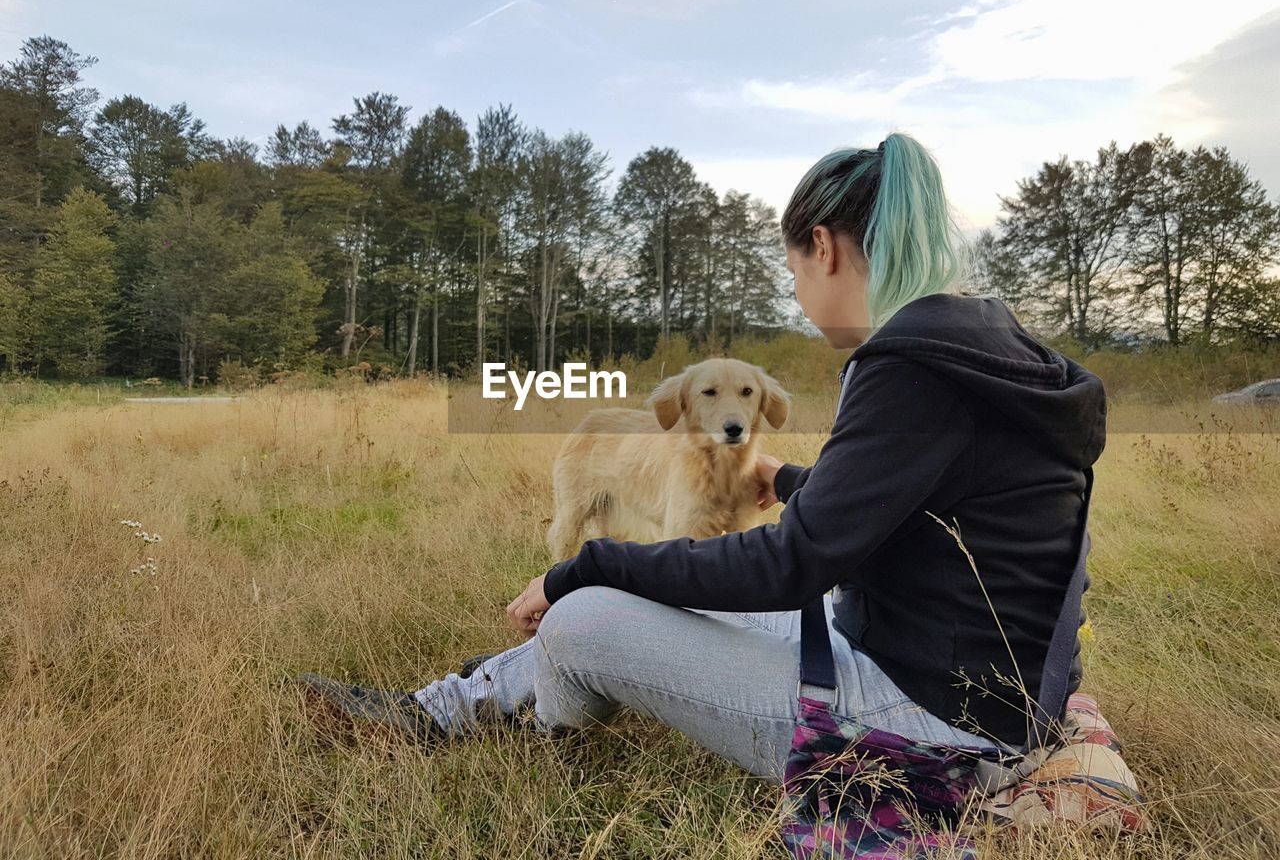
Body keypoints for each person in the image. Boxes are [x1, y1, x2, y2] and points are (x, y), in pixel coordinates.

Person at [296, 132, 1106, 782]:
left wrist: (582, 568)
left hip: (935, 728)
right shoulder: (986, 346)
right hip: (981, 691)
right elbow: (925, 502)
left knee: (584, 614)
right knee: (673, 594)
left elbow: (788, 567)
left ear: (822, 246)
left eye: (793, 271)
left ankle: (544, 741)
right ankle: (444, 707)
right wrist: (789, 479)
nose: (797, 292)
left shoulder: (907, 364)